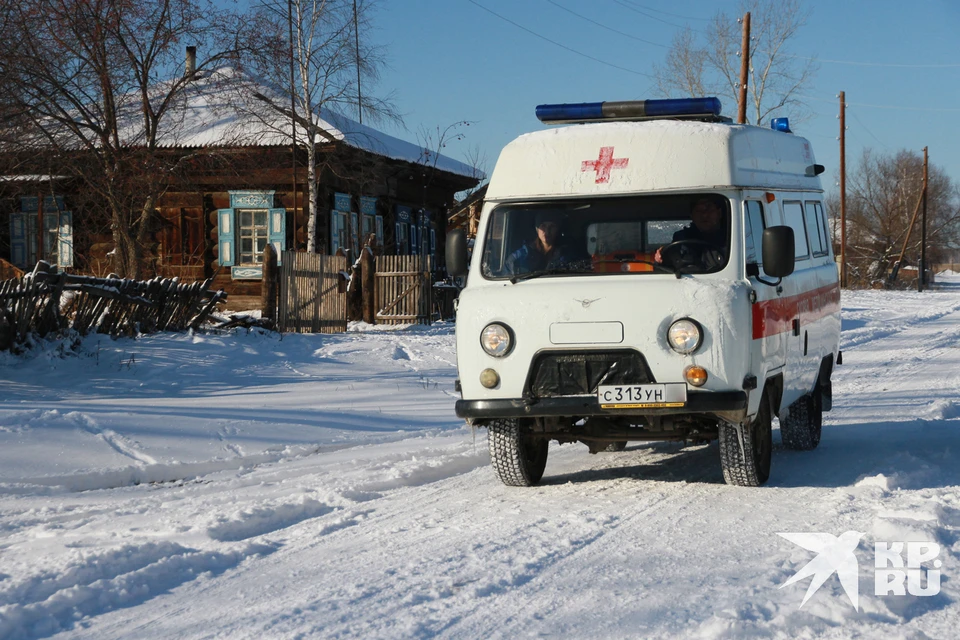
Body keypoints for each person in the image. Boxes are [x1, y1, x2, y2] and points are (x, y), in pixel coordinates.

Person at [655, 196, 728, 270]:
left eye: (709, 209)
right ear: (692, 215)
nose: (704, 215)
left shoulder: (732, 237)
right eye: (699, 210)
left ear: (719, 213)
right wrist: (661, 259)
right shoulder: (681, 238)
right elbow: (667, 268)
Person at [506, 211, 574, 274]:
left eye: (552, 226)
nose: (547, 231)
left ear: (558, 229)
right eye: (543, 226)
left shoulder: (567, 255)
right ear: (537, 229)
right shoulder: (520, 256)